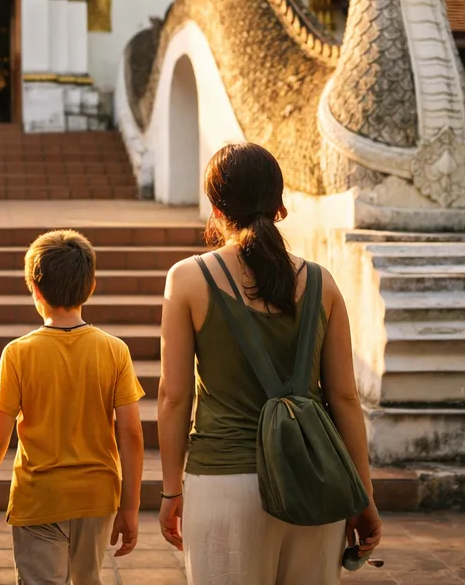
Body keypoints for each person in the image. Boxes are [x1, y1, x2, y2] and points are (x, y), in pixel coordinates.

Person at [156, 142, 383, 584]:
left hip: (224, 483)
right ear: (281, 205)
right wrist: (363, 494)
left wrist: (170, 490)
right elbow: (345, 398)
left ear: (215, 207)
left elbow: (173, 395)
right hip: (315, 483)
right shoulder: (322, 283)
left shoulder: (188, 279)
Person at [0, 230, 145, 585]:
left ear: (35, 290)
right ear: (90, 287)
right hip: (97, 495)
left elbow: (0, 430)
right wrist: (130, 507)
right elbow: (131, 435)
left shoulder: (18, 353)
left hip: (38, 497)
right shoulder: (114, 350)